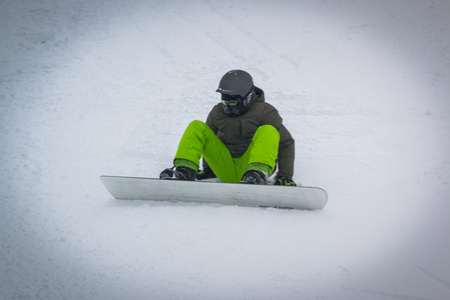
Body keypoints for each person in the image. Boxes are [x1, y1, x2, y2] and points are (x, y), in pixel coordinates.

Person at [159, 69, 297, 186]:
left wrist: (285, 176)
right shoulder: (217, 111)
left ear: (247, 97)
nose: (229, 106)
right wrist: (209, 169)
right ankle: (184, 172)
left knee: (268, 131)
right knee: (197, 126)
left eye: (234, 101)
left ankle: (257, 174)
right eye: (225, 101)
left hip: (251, 166)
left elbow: (286, 143)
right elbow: (207, 140)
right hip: (225, 168)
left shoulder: (265, 112)